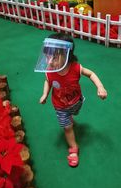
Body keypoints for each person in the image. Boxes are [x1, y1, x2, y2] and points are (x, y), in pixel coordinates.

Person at [36, 33, 107, 167]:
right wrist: (45, 94)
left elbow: (91, 74)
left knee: (74, 113)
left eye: (55, 57)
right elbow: (47, 81)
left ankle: (71, 117)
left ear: (67, 55)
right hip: (60, 106)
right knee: (67, 128)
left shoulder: (75, 68)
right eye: (47, 56)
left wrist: (100, 86)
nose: (50, 61)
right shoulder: (50, 70)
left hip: (76, 102)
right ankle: (74, 148)